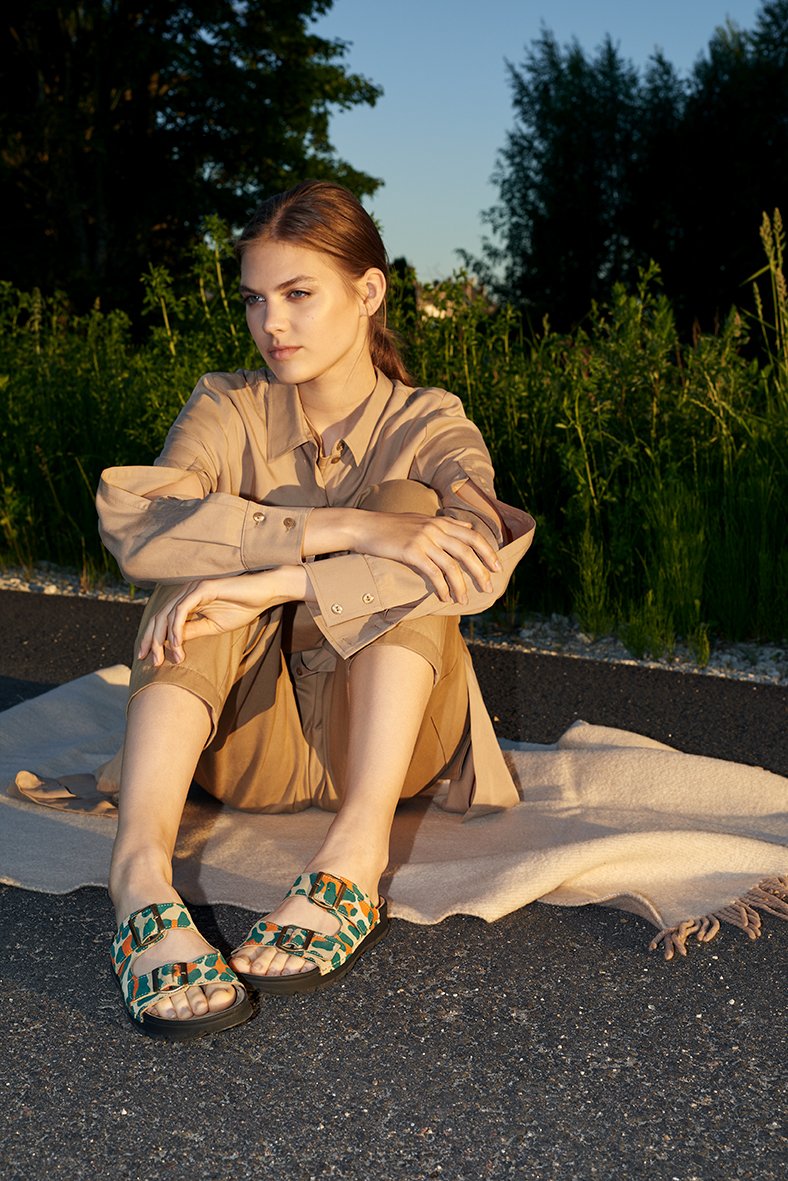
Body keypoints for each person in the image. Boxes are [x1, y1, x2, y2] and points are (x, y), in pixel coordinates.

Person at [97, 180, 535, 1040]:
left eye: (299, 294)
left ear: (368, 293)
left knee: (419, 518)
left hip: (387, 745)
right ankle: (138, 875)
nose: (273, 324)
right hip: (243, 751)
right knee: (192, 565)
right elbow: (137, 522)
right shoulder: (228, 404)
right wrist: (339, 530)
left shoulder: (429, 420)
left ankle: (355, 854)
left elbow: (480, 565)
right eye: (258, 300)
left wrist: (283, 579)